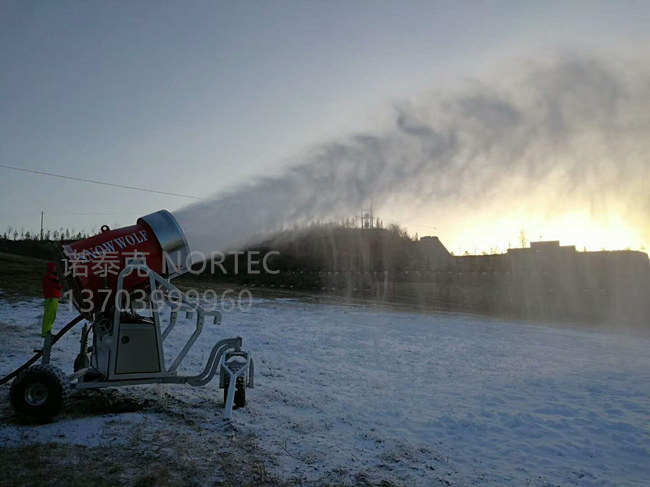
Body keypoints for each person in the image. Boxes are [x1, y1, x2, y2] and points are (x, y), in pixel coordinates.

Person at [42, 262, 63, 337]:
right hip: (51, 297)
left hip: (54, 297)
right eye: (55, 267)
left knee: (52, 315)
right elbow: (58, 285)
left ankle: (48, 331)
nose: (56, 269)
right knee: (49, 315)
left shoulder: (52, 276)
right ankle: (45, 332)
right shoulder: (49, 277)